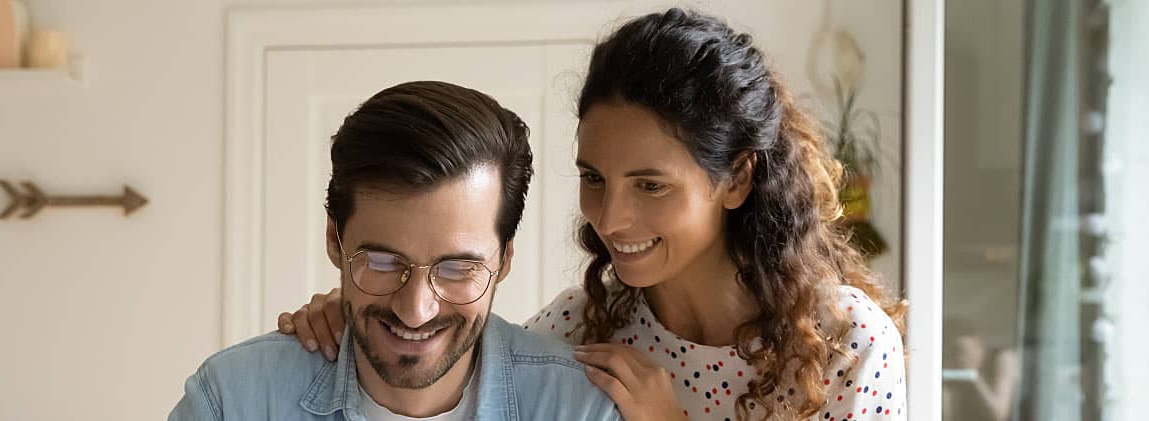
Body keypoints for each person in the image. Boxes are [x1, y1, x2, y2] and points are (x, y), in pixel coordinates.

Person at [277, 8, 909, 421]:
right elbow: (446, 353)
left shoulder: (847, 348)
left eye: (651, 185)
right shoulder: (583, 329)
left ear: (737, 178)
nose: (611, 217)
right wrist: (363, 315)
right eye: (593, 178)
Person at [168, 81, 619, 420]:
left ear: (504, 260)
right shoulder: (232, 399)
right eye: (383, 262)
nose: (416, 310)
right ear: (334, 239)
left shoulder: (580, 409)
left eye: (457, 267)